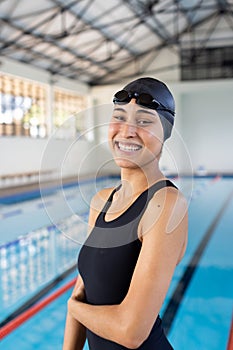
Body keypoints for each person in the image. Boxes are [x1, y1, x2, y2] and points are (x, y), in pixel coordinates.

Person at [63, 77, 188, 349]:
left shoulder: (165, 204)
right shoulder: (101, 202)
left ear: (165, 133)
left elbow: (131, 332)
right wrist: (75, 308)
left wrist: (74, 309)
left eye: (144, 121)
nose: (127, 131)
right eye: (119, 117)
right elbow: (81, 292)